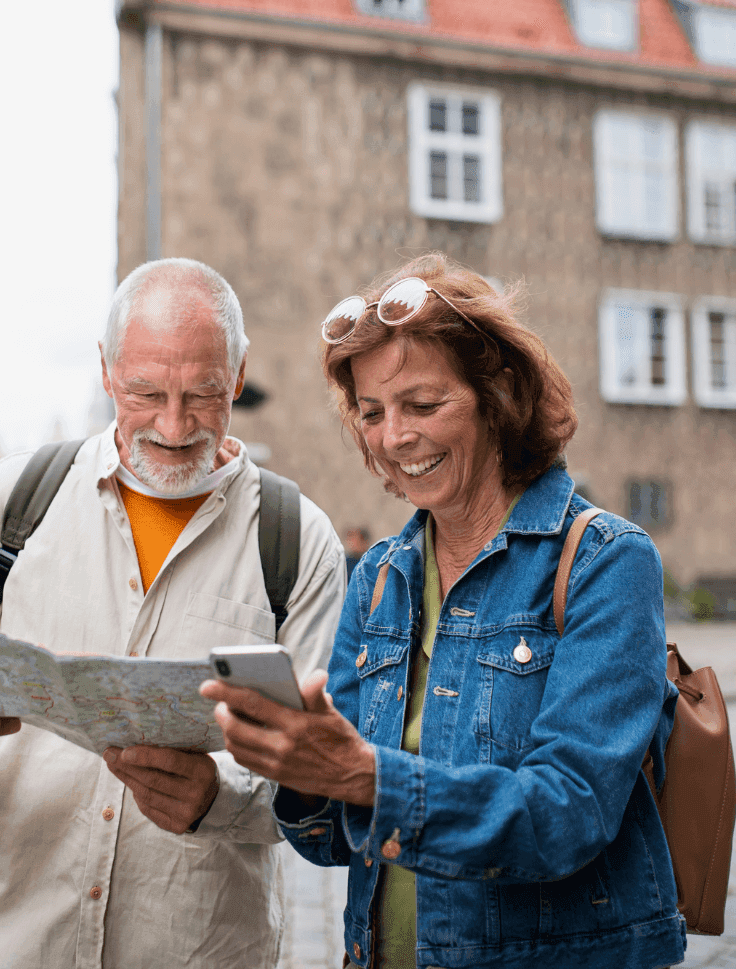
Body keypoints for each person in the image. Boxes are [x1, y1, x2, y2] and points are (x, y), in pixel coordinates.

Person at [202, 254, 684, 969]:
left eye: (422, 405)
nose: (395, 437)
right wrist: (300, 768)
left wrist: (367, 776)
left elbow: (568, 814)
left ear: (500, 395)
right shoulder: (377, 579)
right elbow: (330, 841)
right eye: (371, 413)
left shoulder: (604, 560)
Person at [0, 258, 346, 968]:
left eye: (203, 394)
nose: (172, 424)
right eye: (144, 392)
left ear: (239, 369)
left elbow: (318, 768)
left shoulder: (295, 539)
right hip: (11, 940)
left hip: (199, 948)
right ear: (106, 371)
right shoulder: (7, 501)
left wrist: (219, 797)